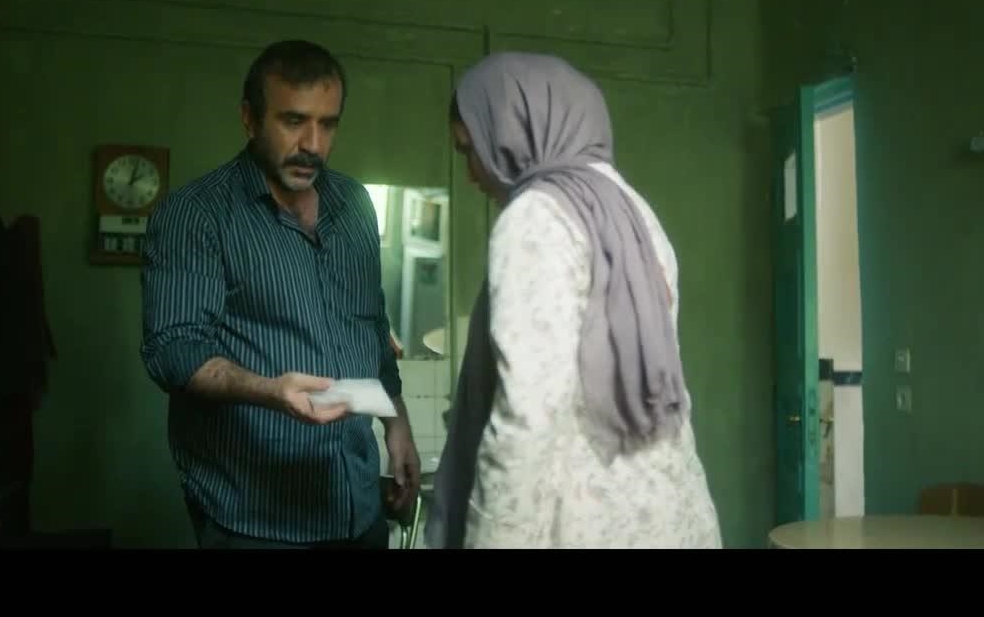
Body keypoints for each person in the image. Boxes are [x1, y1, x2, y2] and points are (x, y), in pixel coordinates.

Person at [426, 52, 722, 549]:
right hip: (672, 515)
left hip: (580, 522)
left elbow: (528, 416)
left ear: (513, 130)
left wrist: (492, 539)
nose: (471, 172)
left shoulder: (537, 218)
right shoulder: (636, 215)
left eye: (469, 148)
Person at [139, 39, 419, 549]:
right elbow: (173, 349)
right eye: (293, 121)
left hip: (356, 505)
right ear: (250, 119)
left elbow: (372, 326)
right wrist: (269, 391)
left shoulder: (355, 205)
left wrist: (396, 424)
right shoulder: (196, 214)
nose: (313, 143)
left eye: (328, 124)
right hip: (255, 517)